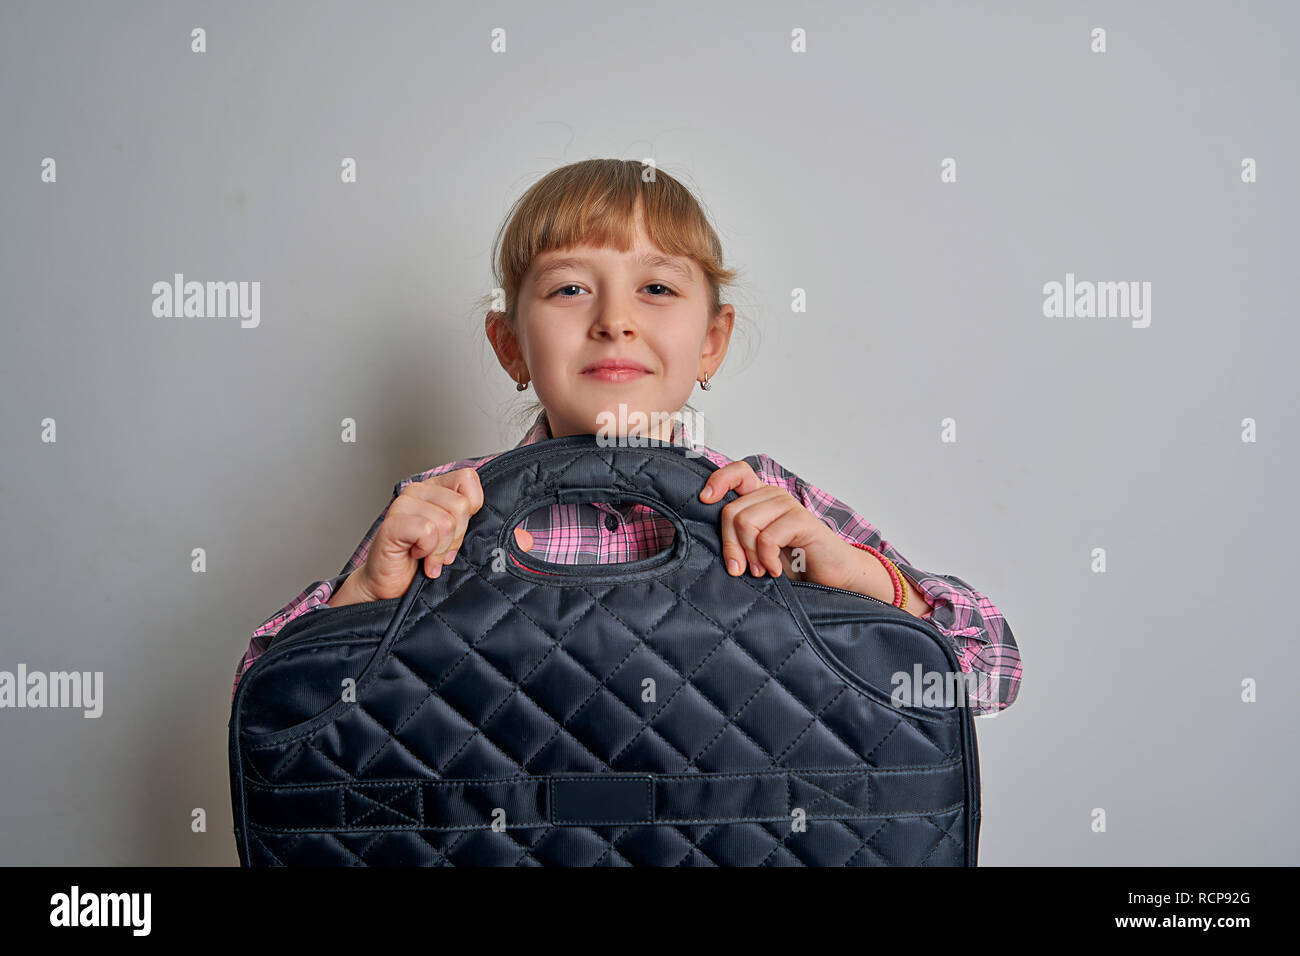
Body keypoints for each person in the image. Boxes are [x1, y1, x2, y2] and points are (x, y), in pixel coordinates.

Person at [231, 159, 1021, 717]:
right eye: (571, 288)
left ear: (711, 341)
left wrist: (857, 578)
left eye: (656, 288)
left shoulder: (768, 503)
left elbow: (986, 676)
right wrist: (365, 596)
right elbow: (268, 712)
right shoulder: (446, 508)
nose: (615, 319)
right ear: (510, 346)